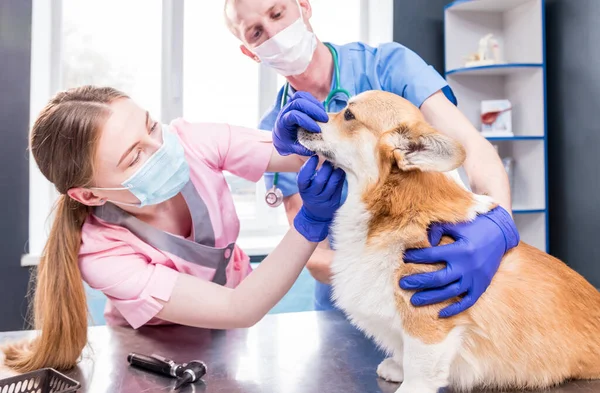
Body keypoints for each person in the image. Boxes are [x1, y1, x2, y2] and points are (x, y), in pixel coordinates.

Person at [3, 85, 345, 372]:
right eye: (134, 157)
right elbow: (238, 308)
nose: (161, 148)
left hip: (231, 338)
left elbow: (310, 156)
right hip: (153, 352)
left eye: (151, 127)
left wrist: (305, 139)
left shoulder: (191, 140)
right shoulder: (101, 253)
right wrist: (308, 225)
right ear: (89, 194)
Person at [224, 0, 520, 315]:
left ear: (304, 6)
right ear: (250, 52)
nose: (274, 32)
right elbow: (313, 254)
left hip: (441, 287)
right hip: (352, 309)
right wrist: (406, 275)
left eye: (277, 13)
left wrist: (499, 225)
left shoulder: (386, 67)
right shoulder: (279, 131)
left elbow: (471, 148)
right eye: (256, 33)